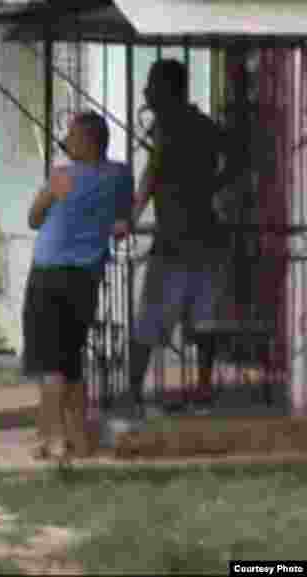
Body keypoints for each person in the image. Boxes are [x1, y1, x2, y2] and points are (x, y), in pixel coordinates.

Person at [127, 59, 238, 415]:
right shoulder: (203, 126)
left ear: (169, 90)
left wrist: (130, 217)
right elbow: (236, 159)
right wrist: (212, 184)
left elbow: (150, 177)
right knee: (203, 320)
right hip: (206, 238)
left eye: (152, 86)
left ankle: (132, 394)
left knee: (150, 320)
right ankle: (203, 390)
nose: (146, 92)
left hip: (177, 241)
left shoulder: (169, 127)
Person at [22, 111, 133, 461]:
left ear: (87, 141)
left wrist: (54, 192)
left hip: (49, 275)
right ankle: (79, 438)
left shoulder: (62, 177)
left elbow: (33, 218)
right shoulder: (120, 176)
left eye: (71, 136)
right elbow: (122, 215)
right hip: (86, 278)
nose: (65, 141)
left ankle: (54, 440)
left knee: (49, 362)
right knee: (71, 360)